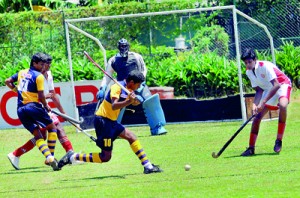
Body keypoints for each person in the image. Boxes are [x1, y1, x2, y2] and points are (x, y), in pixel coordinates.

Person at [58, 70, 163, 174]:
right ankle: (73, 156)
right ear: (131, 82)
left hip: (112, 122)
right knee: (105, 157)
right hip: (103, 122)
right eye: (138, 85)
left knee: (132, 137)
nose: (139, 87)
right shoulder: (116, 87)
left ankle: (147, 166)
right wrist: (129, 101)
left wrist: (135, 101)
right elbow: (114, 106)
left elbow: (132, 102)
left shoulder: (128, 88)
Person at [7, 54, 76, 170]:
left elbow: (8, 81)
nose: (46, 66)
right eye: (43, 64)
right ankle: (65, 154)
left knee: (40, 135)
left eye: (47, 64)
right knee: (54, 127)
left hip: (21, 109)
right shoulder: (38, 76)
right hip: (35, 106)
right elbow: (41, 96)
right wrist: (45, 105)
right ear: (34, 63)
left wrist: (19, 92)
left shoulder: (23, 72)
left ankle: (48, 157)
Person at [96, 38, 167, 136]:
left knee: (150, 101)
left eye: (125, 46)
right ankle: (114, 130)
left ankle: (157, 126)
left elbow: (143, 70)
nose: (123, 48)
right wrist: (102, 88)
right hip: (122, 86)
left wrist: (142, 82)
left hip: (138, 84)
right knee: (117, 106)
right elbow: (108, 75)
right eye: (121, 46)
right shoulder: (113, 60)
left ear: (128, 46)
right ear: (118, 47)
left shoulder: (137, 56)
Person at [240, 48, 292, 156]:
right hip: (269, 89)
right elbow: (259, 90)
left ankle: (278, 140)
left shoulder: (265, 66)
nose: (248, 64)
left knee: (283, 105)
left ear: (255, 60)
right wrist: (255, 104)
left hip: (281, 84)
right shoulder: (249, 71)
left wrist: (262, 102)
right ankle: (251, 148)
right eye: (245, 63)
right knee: (257, 117)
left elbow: (277, 85)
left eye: (249, 62)